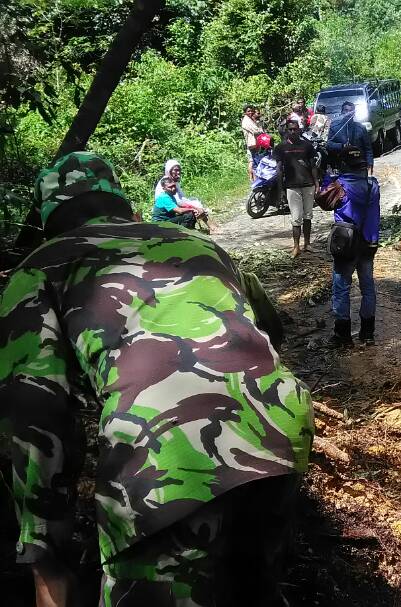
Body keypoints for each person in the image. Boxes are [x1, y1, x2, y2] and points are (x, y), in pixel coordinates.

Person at [0, 151, 313, 606]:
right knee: (250, 588)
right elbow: (270, 327)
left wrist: (44, 547)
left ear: (49, 223)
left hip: (165, 456)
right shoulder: (200, 246)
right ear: (125, 207)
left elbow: (33, 410)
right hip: (280, 430)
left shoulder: (41, 267)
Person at [326, 100, 379, 346]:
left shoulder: (339, 186)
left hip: (346, 246)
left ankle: (343, 334)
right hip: (368, 243)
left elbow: (323, 197)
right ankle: (368, 333)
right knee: (367, 287)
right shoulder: (373, 186)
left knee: (341, 287)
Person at [274, 119, 318, 257]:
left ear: (299, 130)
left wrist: (316, 183)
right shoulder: (281, 148)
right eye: (290, 129)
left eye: (295, 129)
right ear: (286, 131)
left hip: (308, 184)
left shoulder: (307, 146)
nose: (293, 131)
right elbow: (279, 169)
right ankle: (296, 246)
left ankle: (307, 244)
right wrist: (280, 188)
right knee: (296, 217)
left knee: (308, 216)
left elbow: (313, 166)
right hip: (292, 186)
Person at [242, 104, 265, 180]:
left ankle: (256, 179)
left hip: (256, 144)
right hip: (252, 144)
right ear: (245, 112)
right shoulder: (246, 121)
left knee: (254, 162)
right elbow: (255, 130)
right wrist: (261, 131)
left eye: (251, 111)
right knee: (255, 162)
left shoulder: (250, 119)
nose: (250, 112)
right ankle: (256, 179)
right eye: (248, 111)